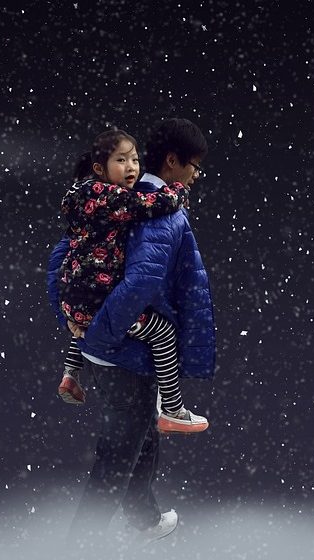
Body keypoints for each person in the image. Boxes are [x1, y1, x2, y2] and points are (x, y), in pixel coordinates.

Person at [46, 118, 215, 540]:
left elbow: (64, 252)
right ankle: (74, 554)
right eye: (194, 166)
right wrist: (98, 333)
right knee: (118, 455)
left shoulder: (120, 195)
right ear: (173, 162)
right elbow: (140, 281)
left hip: (115, 346)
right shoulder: (158, 206)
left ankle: (144, 520)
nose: (196, 176)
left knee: (138, 439)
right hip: (126, 350)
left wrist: (74, 317)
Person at [55, 128, 209, 434]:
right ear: (100, 169)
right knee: (162, 331)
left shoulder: (83, 192)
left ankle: (70, 373)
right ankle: (173, 408)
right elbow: (150, 206)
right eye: (122, 160)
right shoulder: (115, 197)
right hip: (98, 299)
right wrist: (178, 193)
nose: (131, 167)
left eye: (134, 160)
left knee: (82, 321)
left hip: (74, 292)